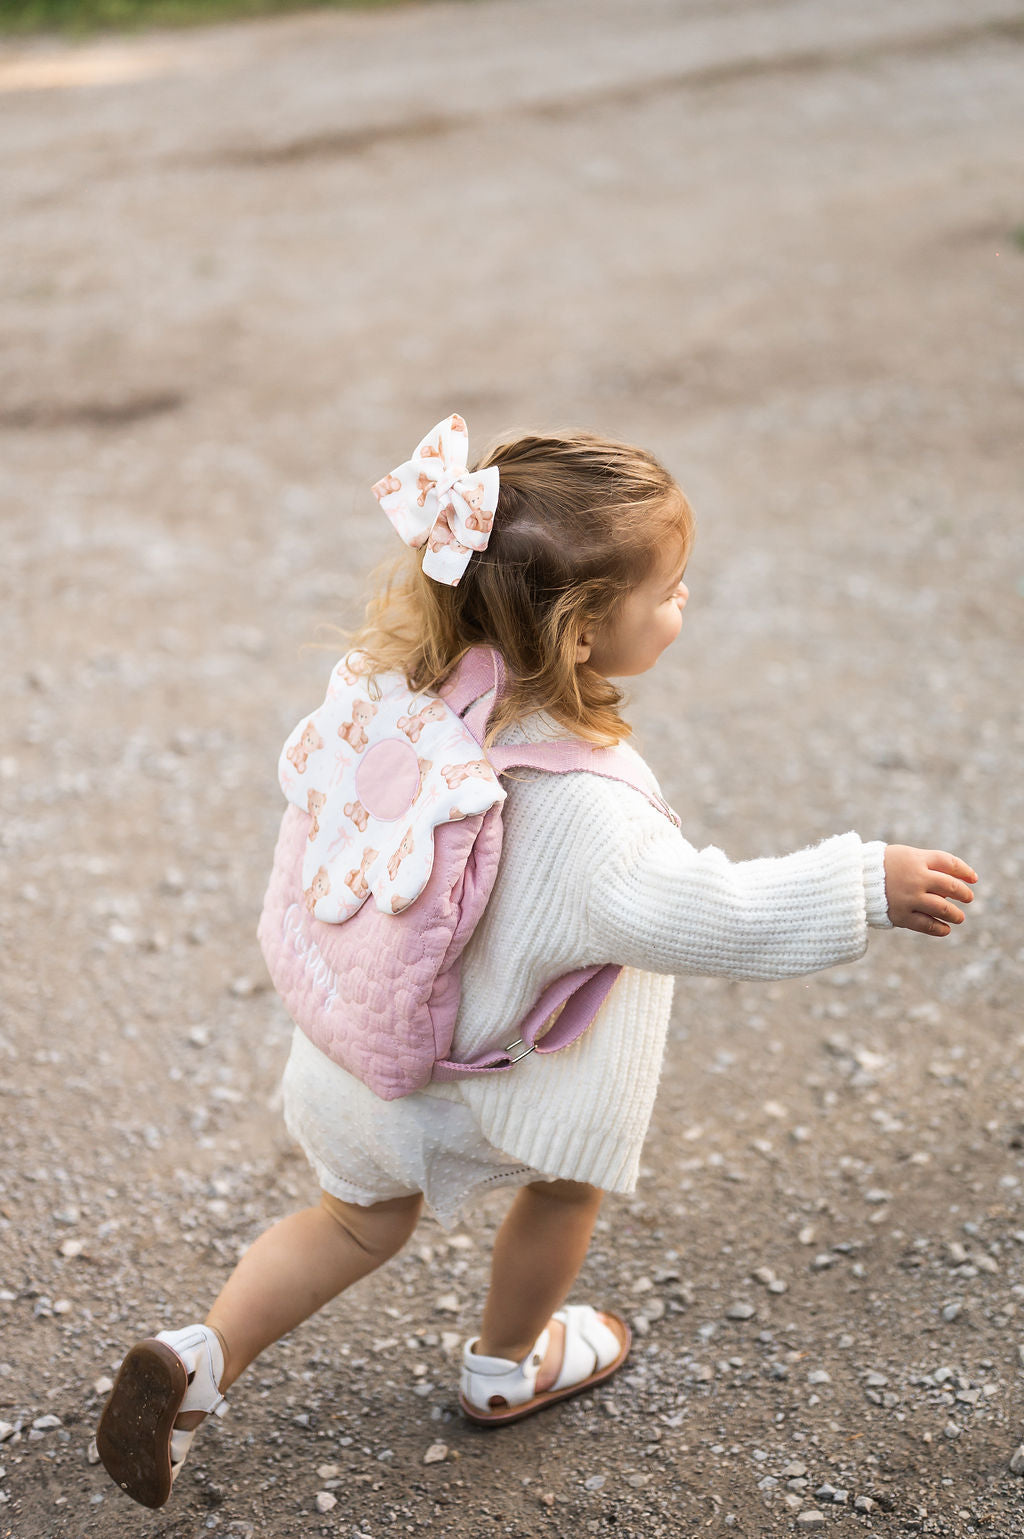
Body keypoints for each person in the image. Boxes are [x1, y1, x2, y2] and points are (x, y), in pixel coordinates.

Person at [97, 415, 977, 1509]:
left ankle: (201, 1356)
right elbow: (705, 910)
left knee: (353, 1221)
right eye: (667, 590)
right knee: (565, 1188)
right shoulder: (585, 813)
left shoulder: (407, 691)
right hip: (497, 1084)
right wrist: (861, 882)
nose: (683, 602)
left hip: (370, 1051)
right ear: (575, 638)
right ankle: (505, 1366)